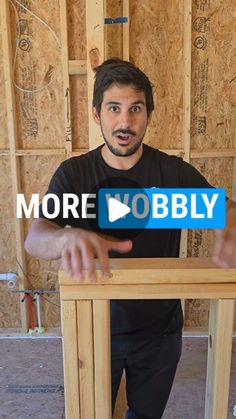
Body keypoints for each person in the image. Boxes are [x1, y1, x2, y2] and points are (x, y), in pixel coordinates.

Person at [25, 58, 236, 419]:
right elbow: (35, 238)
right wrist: (65, 238)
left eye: (135, 109)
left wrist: (231, 222)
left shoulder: (171, 172)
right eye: (114, 108)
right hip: (93, 326)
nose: (125, 122)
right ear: (97, 115)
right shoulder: (75, 174)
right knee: (89, 413)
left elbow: (226, 210)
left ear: (148, 115)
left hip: (159, 333)